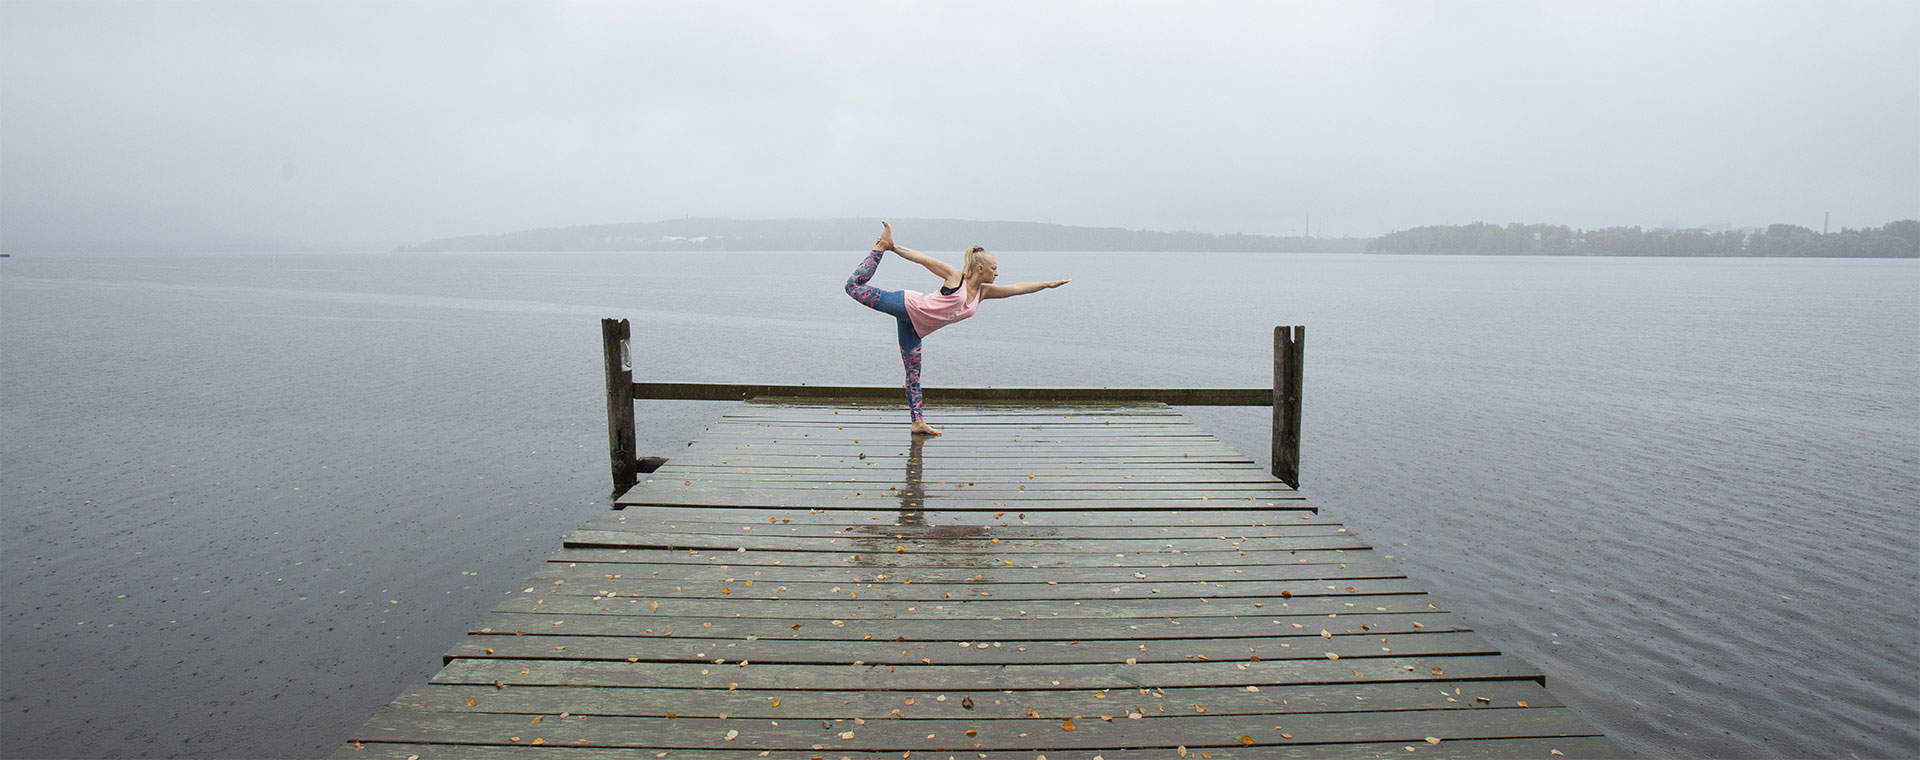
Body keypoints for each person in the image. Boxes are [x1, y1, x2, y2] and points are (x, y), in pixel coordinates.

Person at [844, 222, 1068, 436]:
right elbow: (924, 260)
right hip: (907, 305)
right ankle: (879, 248)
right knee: (853, 287)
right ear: (980, 268)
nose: (997, 273)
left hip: (915, 328)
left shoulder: (984, 292)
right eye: (994, 269)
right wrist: (893, 247)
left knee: (913, 376)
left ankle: (917, 422)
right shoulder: (956, 279)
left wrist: (1046, 285)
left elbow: (1017, 289)